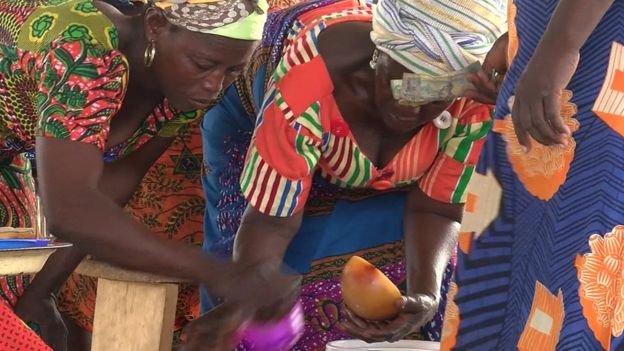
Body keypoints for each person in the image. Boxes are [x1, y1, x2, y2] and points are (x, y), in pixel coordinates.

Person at [188, 0, 505, 348]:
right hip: (258, 125)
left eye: (432, 99)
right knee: (251, 298)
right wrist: (245, 300)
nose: (409, 109)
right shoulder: (307, 83)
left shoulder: (471, 96)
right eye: (399, 85)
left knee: (430, 297)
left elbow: (438, 208)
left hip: (351, 144)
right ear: (377, 54)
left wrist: (425, 293)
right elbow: (273, 220)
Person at [0, 0, 299, 349]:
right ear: (156, 25)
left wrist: (42, 291)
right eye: (204, 65)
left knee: (18, 301)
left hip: (9, 161)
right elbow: (70, 209)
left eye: (233, 71)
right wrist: (222, 274)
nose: (215, 86)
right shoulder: (83, 50)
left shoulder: (182, 89)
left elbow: (110, 187)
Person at [440, 0, 624, 350]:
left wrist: (556, 52)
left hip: (587, 75)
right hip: (552, 49)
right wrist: (521, 38)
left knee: (571, 270)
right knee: (508, 273)